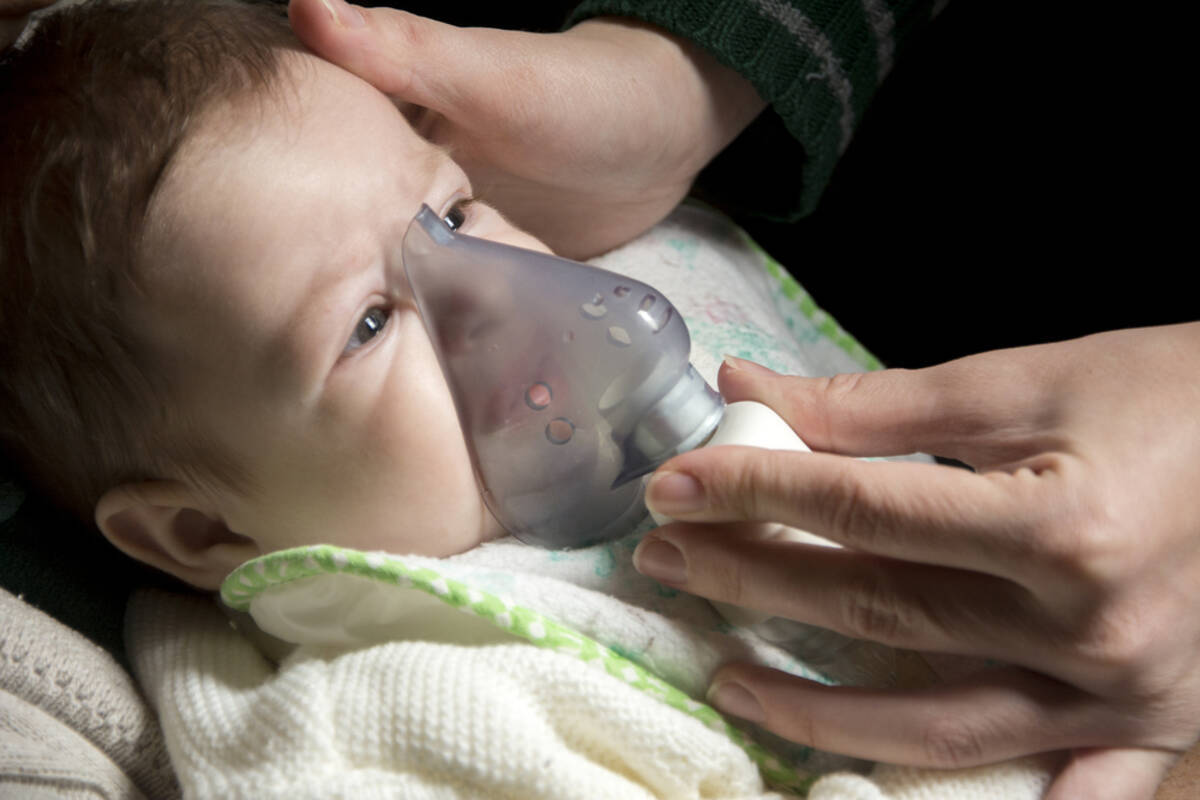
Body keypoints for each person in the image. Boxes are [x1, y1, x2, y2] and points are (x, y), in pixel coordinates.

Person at [279, 1, 1200, 799]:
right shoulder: (407, 686)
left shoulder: (631, 254)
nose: (489, 298)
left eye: (453, 215)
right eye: (365, 324)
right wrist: (674, 80)